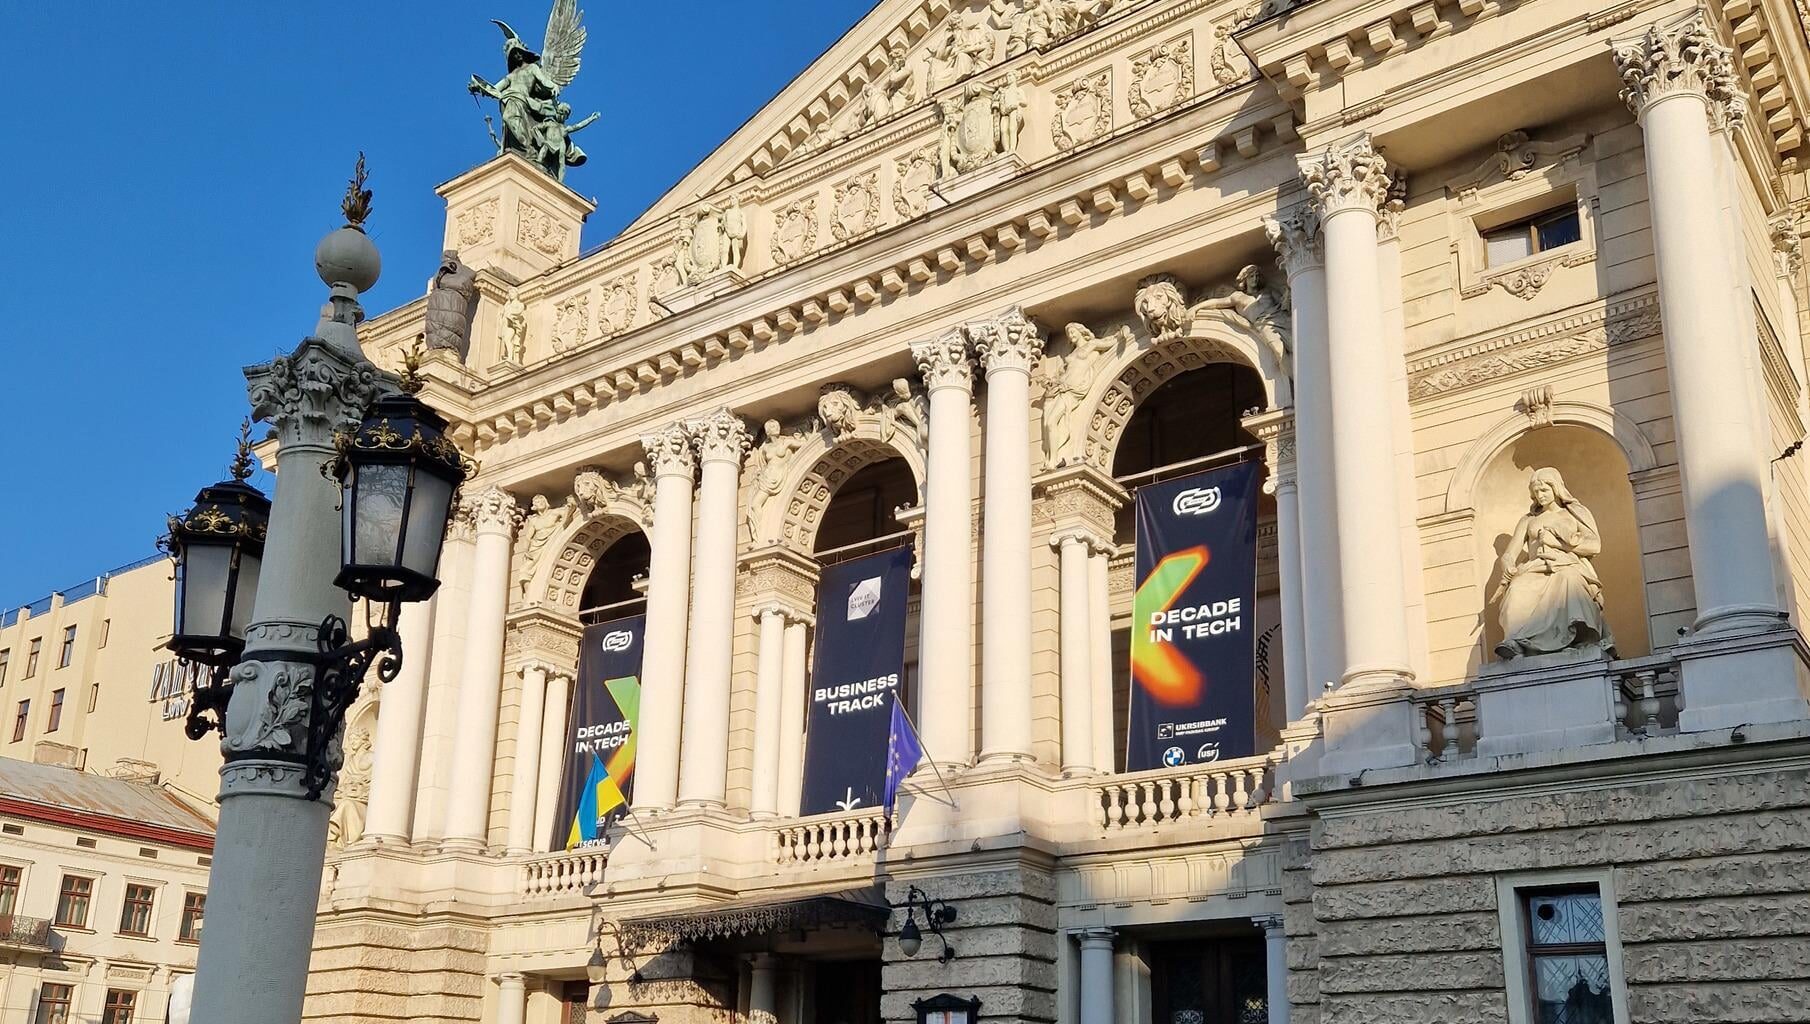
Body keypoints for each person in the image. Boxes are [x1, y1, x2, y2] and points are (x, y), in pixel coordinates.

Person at [1493, 467, 1616, 659]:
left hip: (1567, 565)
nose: (1539, 495)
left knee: (1570, 581)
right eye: (1535, 492)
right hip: (1535, 568)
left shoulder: (1575, 513)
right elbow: (1510, 553)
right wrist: (1508, 565)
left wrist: (1558, 544)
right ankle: (1516, 642)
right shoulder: (1528, 520)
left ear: (1555, 488)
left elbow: (1594, 546)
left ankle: (1575, 638)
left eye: (1544, 490)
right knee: (1517, 588)